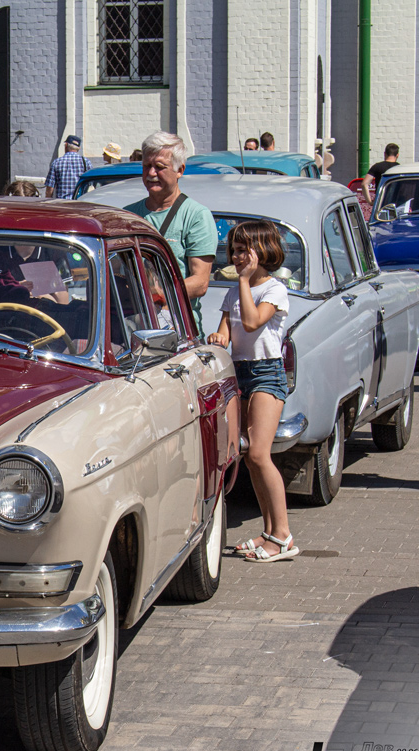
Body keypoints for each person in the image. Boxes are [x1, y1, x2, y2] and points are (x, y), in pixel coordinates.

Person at [208, 219, 296, 563]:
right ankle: (269, 532)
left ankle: (283, 535)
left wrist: (244, 280)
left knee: (260, 454)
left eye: (245, 249)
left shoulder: (274, 290)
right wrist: (218, 339)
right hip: (239, 373)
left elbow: (252, 322)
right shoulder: (234, 292)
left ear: (264, 251)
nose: (238, 255)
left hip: (266, 374)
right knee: (249, 457)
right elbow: (227, 333)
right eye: (235, 249)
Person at [123, 131, 217, 325]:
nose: (151, 174)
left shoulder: (196, 215)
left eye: (159, 167)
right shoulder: (128, 215)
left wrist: (157, 293)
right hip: (132, 327)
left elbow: (200, 283)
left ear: (180, 170)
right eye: (146, 166)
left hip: (178, 329)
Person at [44, 134, 88, 199]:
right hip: (79, 201)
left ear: (66, 145)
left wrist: (47, 201)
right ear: (79, 148)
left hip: (62, 203)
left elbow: (50, 187)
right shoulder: (86, 162)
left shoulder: (57, 162)